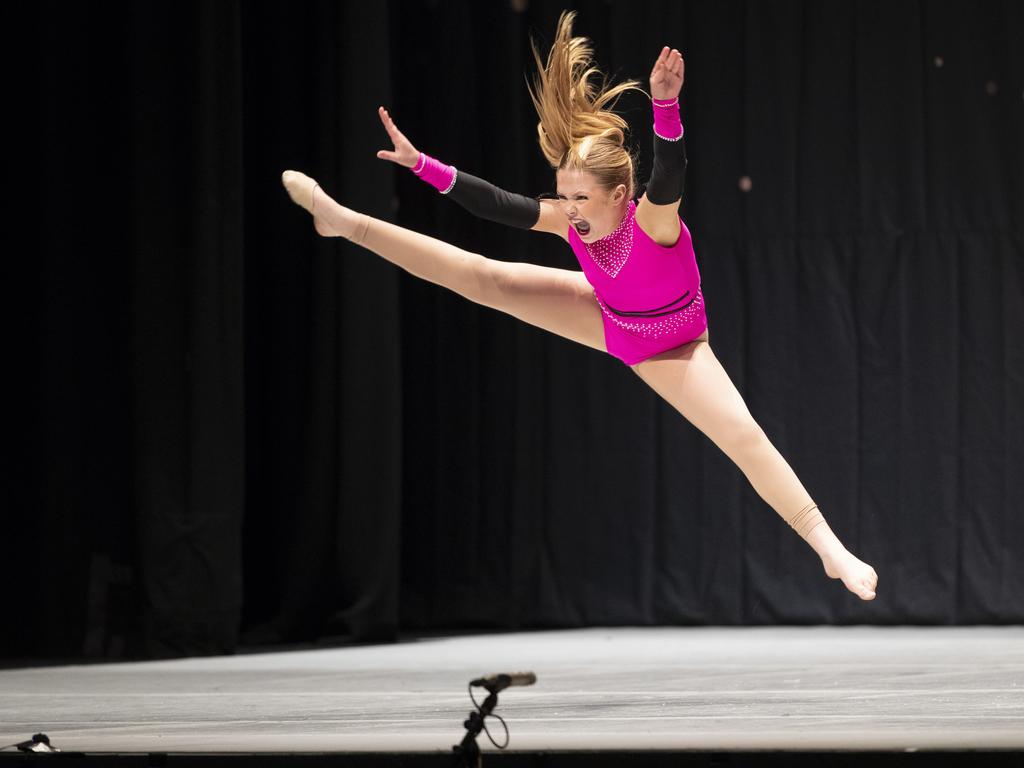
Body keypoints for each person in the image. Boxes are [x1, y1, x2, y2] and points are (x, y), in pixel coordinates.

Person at [281, 11, 878, 601]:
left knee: (743, 436)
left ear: (620, 194)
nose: (567, 209)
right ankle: (347, 224)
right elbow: (498, 205)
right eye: (562, 195)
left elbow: (669, 173)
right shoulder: (572, 226)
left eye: (580, 198)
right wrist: (423, 166)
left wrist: (665, 108)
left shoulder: (653, 221)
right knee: (482, 277)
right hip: (610, 319)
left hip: (674, 345)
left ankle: (829, 548)